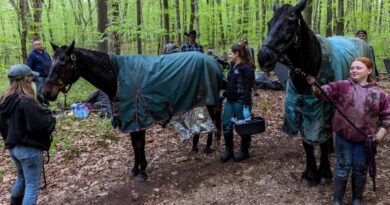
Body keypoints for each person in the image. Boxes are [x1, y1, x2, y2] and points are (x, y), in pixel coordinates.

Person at [306, 57, 390, 205]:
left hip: (365, 140)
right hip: (344, 137)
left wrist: (381, 134)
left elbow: (387, 116)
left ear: (369, 71)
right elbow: (322, 93)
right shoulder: (342, 86)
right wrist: (315, 85)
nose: (354, 70)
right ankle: (337, 200)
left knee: (360, 169)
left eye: (358, 68)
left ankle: (356, 199)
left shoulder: (379, 93)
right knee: (342, 168)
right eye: (352, 68)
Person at [0, 64, 56, 205]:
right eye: (31, 78)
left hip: (14, 148)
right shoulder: (26, 101)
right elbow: (40, 126)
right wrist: (50, 118)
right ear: (25, 80)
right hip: (29, 150)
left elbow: (3, 127)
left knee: (21, 179)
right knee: (31, 187)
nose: (33, 81)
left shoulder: (4, 100)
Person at [220, 44, 255, 162]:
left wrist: (245, 103)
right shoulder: (233, 66)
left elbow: (248, 87)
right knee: (226, 125)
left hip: (241, 101)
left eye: (231, 53)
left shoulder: (247, 68)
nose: (230, 55)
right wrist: (224, 95)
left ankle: (244, 151)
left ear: (237, 54)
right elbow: (231, 84)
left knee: (243, 127)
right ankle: (229, 150)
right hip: (230, 101)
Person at [27, 40, 52, 106]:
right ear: (34, 46)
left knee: (46, 90)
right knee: (39, 91)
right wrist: (32, 76)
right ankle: (40, 103)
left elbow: (50, 62)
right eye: (38, 44)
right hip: (38, 76)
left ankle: (46, 102)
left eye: (40, 44)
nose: (40, 45)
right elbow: (29, 66)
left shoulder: (46, 53)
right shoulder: (32, 54)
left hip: (47, 75)